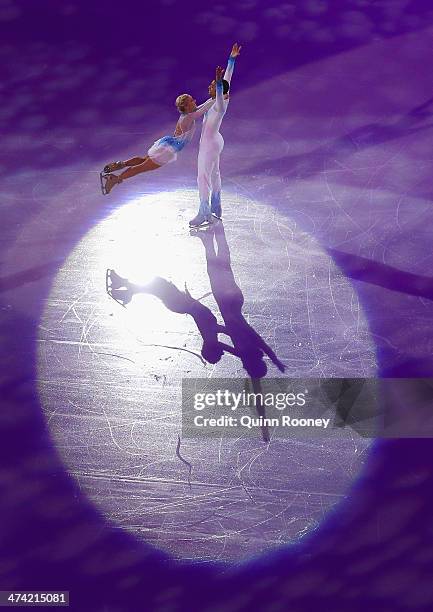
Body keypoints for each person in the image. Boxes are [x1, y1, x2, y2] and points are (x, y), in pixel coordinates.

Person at [100, 94, 215, 195]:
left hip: (166, 145)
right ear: (186, 106)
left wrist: (215, 97)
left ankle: (119, 165)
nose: (195, 100)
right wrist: (219, 98)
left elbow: (201, 107)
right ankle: (115, 179)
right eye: (191, 100)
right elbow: (203, 110)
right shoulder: (189, 117)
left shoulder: (187, 115)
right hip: (167, 150)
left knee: (143, 160)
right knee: (141, 168)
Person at [189, 42, 241, 228]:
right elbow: (228, 78)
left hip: (209, 145)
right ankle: (217, 207)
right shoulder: (220, 96)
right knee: (215, 174)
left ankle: (204, 213)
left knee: (202, 177)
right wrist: (231, 60)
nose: (209, 87)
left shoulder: (220, 104)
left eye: (213, 85)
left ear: (219, 89)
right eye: (212, 84)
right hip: (216, 140)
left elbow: (220, 93)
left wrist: (218, 85)